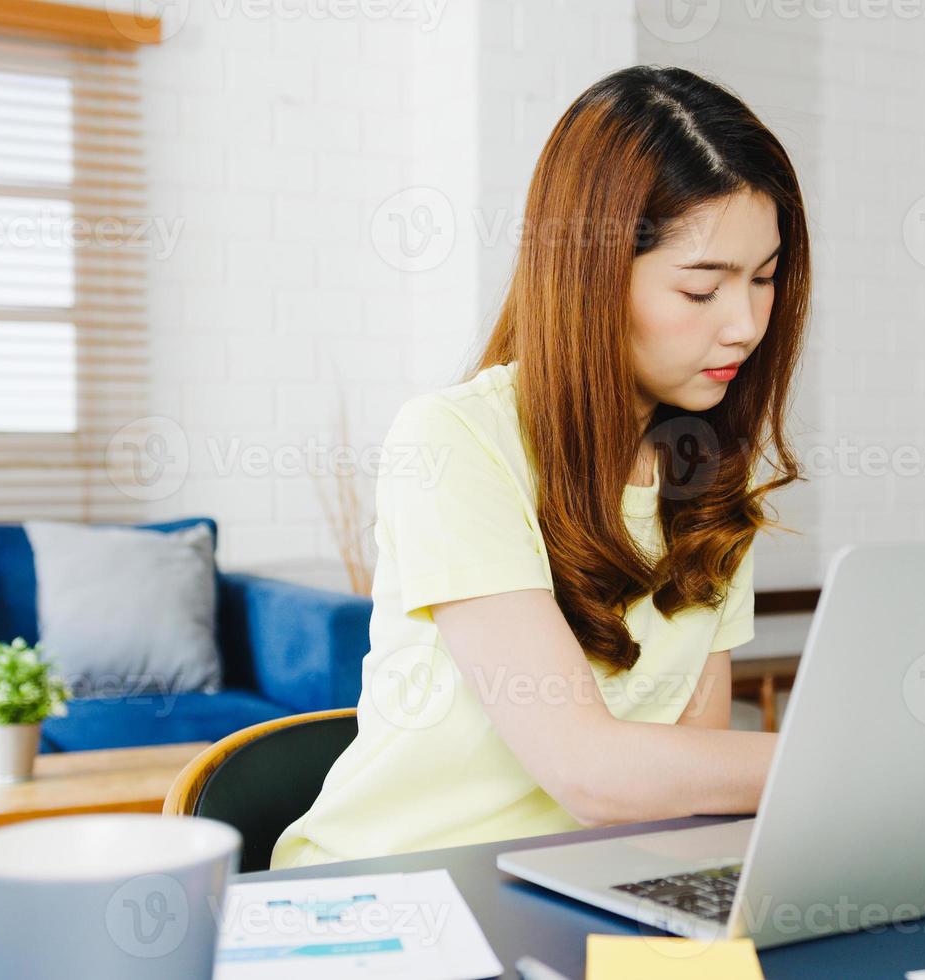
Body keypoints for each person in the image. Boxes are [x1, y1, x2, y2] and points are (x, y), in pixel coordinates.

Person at [271, 65, 810, 868]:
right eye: (702, 291)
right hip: (401, 894)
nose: (744, 325)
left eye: (765, 280)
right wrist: (855, 765)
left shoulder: (705, 475)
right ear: (590, 279)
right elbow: (588, 770)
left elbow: (694, 783)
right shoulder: (455, 442)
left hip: (585, 887)